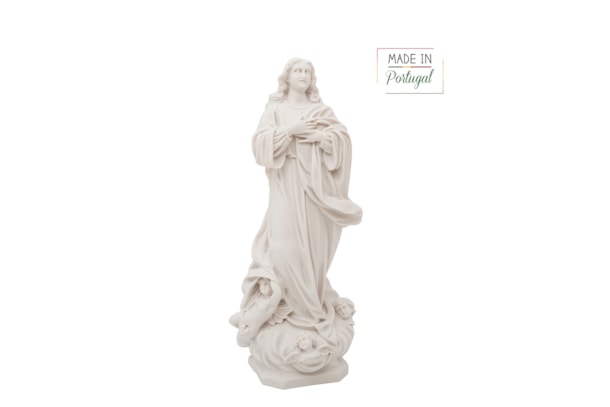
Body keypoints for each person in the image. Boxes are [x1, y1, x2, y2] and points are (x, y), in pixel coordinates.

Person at [245, 57, 362, 346]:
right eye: (297, 70)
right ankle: (289, 309)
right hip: (286, 186)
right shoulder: (275, 110)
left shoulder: (321, 111)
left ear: (312, 79)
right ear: (286, 77)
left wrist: (322, 137)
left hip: (315, 192)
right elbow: (259, 146)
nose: (303, 75)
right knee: (284, 248)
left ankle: (310, 311)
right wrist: (290, 130)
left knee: (312, 251)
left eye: (308, 71)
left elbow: (342, 140)